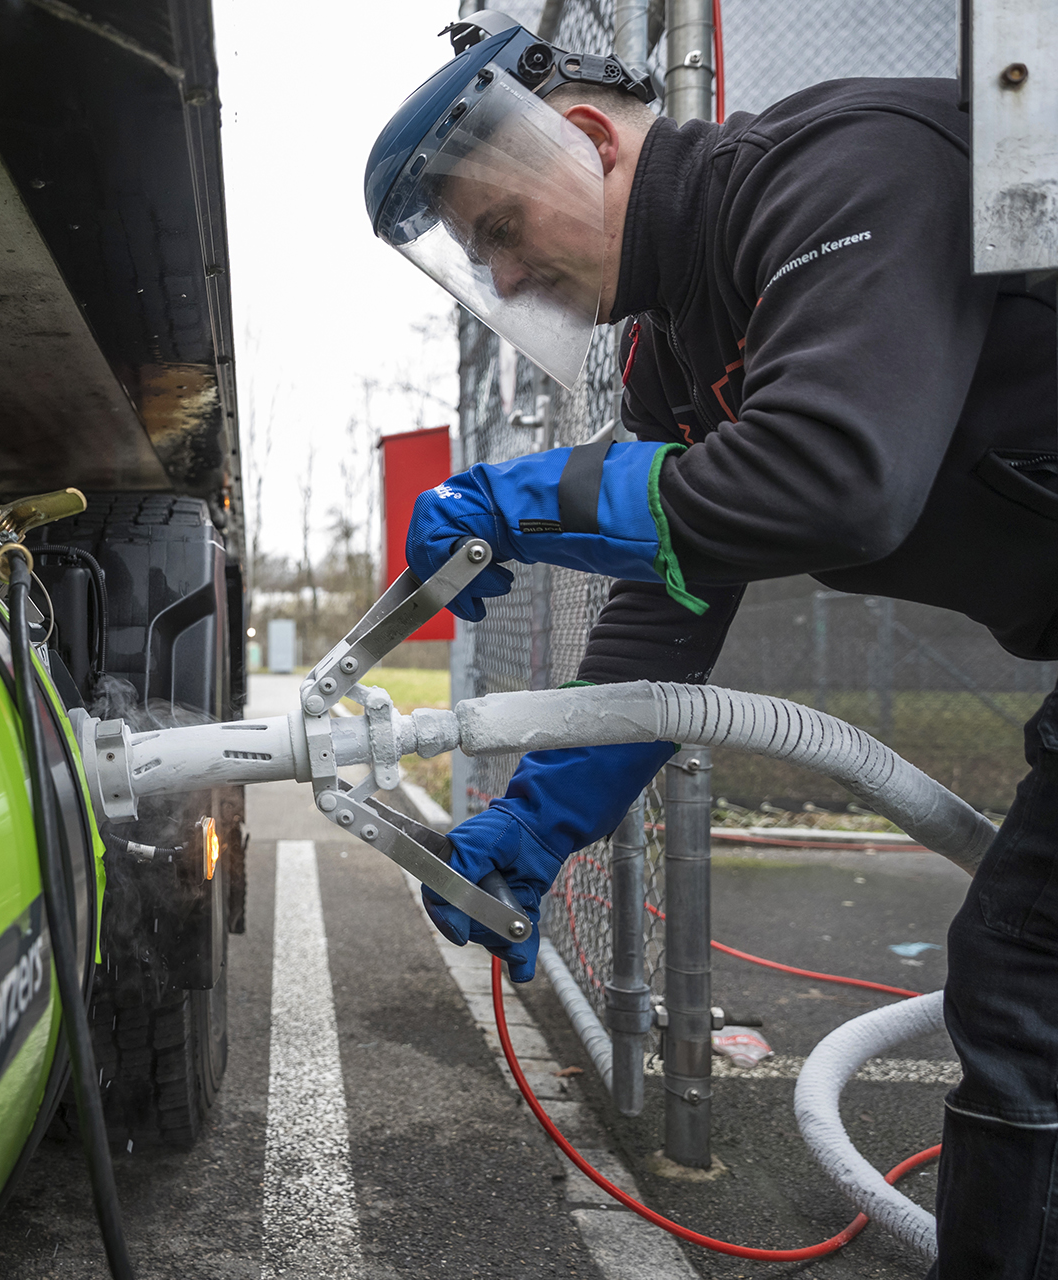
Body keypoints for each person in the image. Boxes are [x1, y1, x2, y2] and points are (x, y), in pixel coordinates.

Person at [363, 12, 1057, 1276]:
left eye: (499, 235)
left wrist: (536, 497)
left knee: (1027, 980)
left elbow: (831, 479)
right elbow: (670, 604)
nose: (505, 282)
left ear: (582, 137)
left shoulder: (845, 168)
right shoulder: (680, 339)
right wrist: (537, 824)